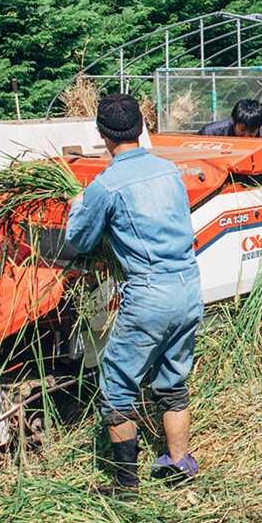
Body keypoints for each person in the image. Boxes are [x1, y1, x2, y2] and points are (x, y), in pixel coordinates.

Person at [65, 92, 204, 492]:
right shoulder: (169, 172)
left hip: (149, 295)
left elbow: (80, 241)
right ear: (142, 128)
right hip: (188, 288)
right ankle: (180, 463)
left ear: (102, 134)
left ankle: (125, 483)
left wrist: (79, 204)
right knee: (173, 382)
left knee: (116, 388)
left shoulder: (106, 186)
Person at [198, 97, 262, 186]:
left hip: (251, 184)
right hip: (216, 184)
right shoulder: (211, 133)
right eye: (242, 130)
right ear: (233, 121)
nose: (246, 136)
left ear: (259, 127)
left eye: (252, 131)